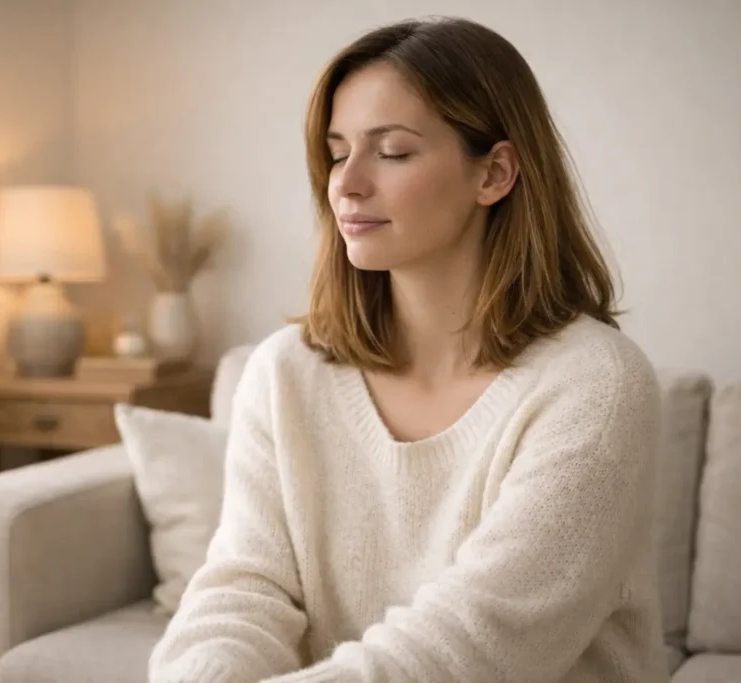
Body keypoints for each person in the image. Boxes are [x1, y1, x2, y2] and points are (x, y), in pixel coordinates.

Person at [149, 16, 668, 683]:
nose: (346, 183)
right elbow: (242, 591)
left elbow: (475, 647)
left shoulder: (598, 386)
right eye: (338, 152)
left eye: (392, 152)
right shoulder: (283, 373)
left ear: (495, 173)